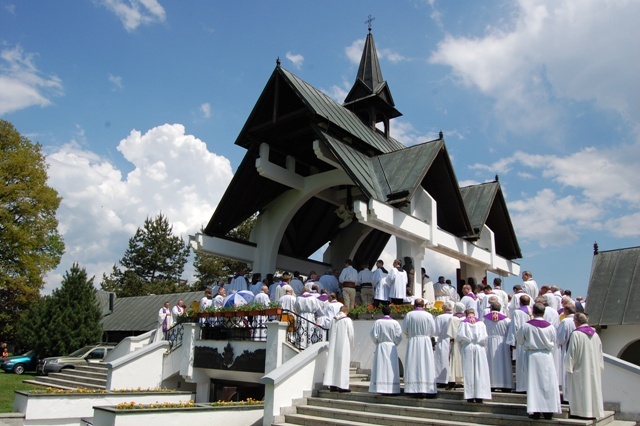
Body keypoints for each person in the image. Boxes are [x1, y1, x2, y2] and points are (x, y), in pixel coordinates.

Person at [516, 302, 561, 420]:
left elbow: (519, 339)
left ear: (533, 312)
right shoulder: (550, 326)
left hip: (532, 356)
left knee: (533, 383)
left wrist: (528, 343)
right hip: (546, 356)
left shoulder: (527, 326)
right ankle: (548, 411)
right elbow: (554, 341)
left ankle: (535, 410)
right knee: (548, 383)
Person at [564, 313, 604, 419]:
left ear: (577, 321)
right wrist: (599, 366)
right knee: (592, 389)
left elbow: (572, 352)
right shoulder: (595, 335)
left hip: (580, 368)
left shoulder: (576, 334)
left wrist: (569, 366)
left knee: (581, 389)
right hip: (593, 368)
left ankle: (581, 412)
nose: (573, 322)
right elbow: (600, 353)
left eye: (574, 321)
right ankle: (593, 412)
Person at [402, 298, 438, 398]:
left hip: (413, 340)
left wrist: (410, 335)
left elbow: (404, 329)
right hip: (425, 342)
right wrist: (427, 335)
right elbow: (433, 330)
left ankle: (413, 389)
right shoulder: (429, 315)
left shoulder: (409, 315)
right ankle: (426, 388)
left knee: (413, 363)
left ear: (414, 305)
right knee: (426, 363)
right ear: (423, 305)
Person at [457, 308, 491, 403]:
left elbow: (459, 337)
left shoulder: (463, 323)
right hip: (479, 347)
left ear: (465, 314)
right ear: (474, 314)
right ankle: (480, 395)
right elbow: (485, 337)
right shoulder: (481, 323)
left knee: (469, 371)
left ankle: (470, 396)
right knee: (480, 371)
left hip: (468, 347)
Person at [369, 305, 402, 394]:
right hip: (391, 346)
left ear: (382, 312)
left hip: (381, 346)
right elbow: (399, 336)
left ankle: (380, 387)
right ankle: (392, 388)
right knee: (391, 367)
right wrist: (394, 343)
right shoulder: (395, 323)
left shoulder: (378, 322)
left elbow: (373, 335)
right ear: (390, 312)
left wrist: (378, 342)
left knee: (381, 366)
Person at [323, 305, 355, 393]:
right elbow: (351, 334)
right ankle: (342, 386)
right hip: (344, 344)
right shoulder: (347, 320)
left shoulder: (333, 320)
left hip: (334, 344)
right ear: (346, 312)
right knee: (343, 364)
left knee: (333, 363)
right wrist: (352, 344)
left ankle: (332, 384)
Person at [483, 301, 513, 391]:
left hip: (489, 342)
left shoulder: (485, 319)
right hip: (502, 343)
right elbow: (509, 332)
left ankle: (491, 384)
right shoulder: (506, 319)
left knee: (490, 363)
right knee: (504, 363)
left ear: (491, 308)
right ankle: (506, 385)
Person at [506, 294, 532, 392]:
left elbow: (514, 327)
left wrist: (512, 342)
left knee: (521, 364)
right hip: (533, 341)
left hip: (522, 341)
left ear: (520, 302)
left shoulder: (517, 312)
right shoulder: (534, 311)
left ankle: (522, 387)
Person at [557, 303, 577, 403]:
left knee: (566, 373)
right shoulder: (578, 320)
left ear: (567, 311)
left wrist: (559, 343)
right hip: (577, 350)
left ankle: (567, 397)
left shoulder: (565, 321)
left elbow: (560, 338)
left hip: (566, 349)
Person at [446, 302, 466, 389]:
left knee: (454, 360)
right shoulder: (465, 319)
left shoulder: (452, 319)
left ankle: (453, 379)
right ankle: (463, 379)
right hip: (464, 343)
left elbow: (449, 332)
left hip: (455, 342)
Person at [434, 301, 453, 387]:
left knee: (441, 360)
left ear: (443, 309)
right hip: (452, 340)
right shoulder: (454, 317)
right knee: (451, 361)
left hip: (443, 340)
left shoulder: (439, 317)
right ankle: (451, 379)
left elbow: (436, 331)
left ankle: (441, 380)